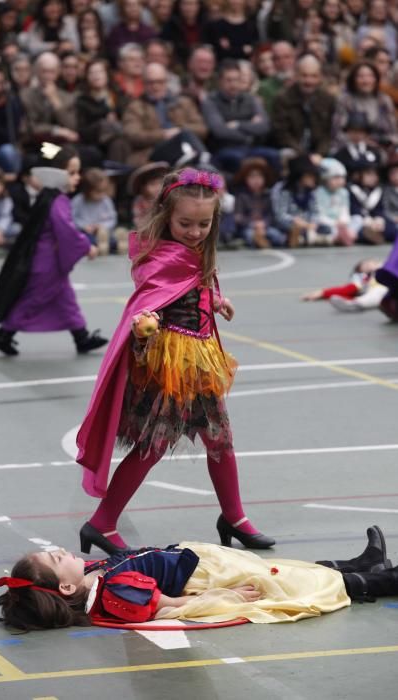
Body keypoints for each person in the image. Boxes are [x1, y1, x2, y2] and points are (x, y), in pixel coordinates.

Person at [75, 167, 275, 556]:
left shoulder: (199, 253)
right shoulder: (160, 256)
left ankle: (233, 517)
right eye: (186, 223)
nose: (195, 231)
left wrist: (216, 301)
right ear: (166, 215)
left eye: (204, 223)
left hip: (199, 363)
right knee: (155, 444)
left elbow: (193, 288)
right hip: (170, 366)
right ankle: (102, 522)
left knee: (220, 440)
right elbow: (152, 299)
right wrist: (146, 323)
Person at [0, 525, 398, 630]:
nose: (62, 551)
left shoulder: (94, 576)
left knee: (288, 571)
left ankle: (361, 564)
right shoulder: (113, 592)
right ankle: (378, 581)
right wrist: (227, 592)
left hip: (203, 559)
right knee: (287, 583)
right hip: (206, 574)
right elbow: (167, 605)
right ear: (65, 587)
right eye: (57, 558)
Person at [0, 145, 108, 357]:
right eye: (72, 173)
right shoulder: (58, 201)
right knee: (34, 300)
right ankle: (3, 334)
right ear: (59, 174)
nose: (77, 177)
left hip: (48, 261)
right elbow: (67, 232)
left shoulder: (50, 197)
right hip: (47, 264)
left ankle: (81, 337)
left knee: (66, 300)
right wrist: (87, 246)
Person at [122, 62, 208, 167]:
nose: (156, 86)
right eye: (151, 82)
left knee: (185, 134)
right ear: (143, 83)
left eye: (160, 82)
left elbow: (202, 128)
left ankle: (198, 161)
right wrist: (164, 135)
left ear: (167, 82)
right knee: (185, 138)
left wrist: (178, 130)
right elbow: (133, 135)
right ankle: (203, 159)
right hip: (152, 152)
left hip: (184, 144)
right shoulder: (135, 107)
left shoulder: (184, 102)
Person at [201, 59, 274, 173]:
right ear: (220, 81)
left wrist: (238, 124)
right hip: (223, 149)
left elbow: (265, 126)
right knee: (237, 159)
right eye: (229, 80)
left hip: (251, 148)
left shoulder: (250, 99)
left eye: (237, 80)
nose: (233, 84)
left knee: (274, 156)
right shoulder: (210, 101)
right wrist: (249, 132)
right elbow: (219, 131)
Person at [271, 54, 336, 162]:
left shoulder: (328, 99)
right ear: (296, 75)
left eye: (313, 76)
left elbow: (329, 132)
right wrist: (303, 155)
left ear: (320, 77)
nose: (309, 81)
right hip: (293, 150)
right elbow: (281, 133)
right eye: (304, 75)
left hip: (320, 152)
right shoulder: (283, 99)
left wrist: (320, 154)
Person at [71, 167, 128, 255]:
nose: (102, 194)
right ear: (87, 190)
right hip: (86, 232)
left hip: (103, 232)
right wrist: (84, 226)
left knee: (109, 237)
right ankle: (103, 247)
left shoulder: (106, 200)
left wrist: (102, 226)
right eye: (98, 191)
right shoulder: (78, 201)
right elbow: (72, 218)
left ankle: (117, 244)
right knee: (84, 240)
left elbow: (112, 218)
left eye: (103, 191)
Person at [232, 157, 285, 248]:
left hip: (265, 226)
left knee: (277, 236)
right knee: (248, 235)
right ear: (246, 179)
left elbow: (271, 215)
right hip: (249, 227)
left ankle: (264, 241)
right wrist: (254, 224)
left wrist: (263, 223)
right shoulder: (241, 195)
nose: (256, 180)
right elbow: (238, 217)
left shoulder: (267, 195)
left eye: (259, 176)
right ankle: (259, 240)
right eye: (252, 177)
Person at [302, 258, 387, 312]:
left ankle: (355, 303)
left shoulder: (387, 263)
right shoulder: (367, 279)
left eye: (367, 264)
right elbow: (350, 289)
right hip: (384, 290)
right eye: (364, 268)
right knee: (378, 292)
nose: (367, 267)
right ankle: (355, 303)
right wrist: (323, 293)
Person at [312, 158, 356, 246]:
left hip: (341, 223)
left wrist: (343, 221)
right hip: (328, 223)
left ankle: (347, 235)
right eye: (335, 178)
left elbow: (345, 210)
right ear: (325, 178)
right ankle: (339, 237)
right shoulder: (318, 193)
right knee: (322, 227)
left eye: (342, 178)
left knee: (357, 219)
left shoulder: (344, 192)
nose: (340, 181)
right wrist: (334, 223)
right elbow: (319, 215)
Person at [128, 160, 169, 229]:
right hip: (146, 229)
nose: (158, 187)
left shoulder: (167, 196)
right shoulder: (140, 201)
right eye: (152, 184)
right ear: (142, 187)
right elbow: (138, 219)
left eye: (160, 183)